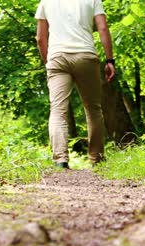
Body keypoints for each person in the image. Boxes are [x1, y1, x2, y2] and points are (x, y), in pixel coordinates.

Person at [35, 0, 116, 169]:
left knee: (57, 110)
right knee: (93, 109)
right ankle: (97, 159)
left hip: (57, 58)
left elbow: (41, 38)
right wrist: (110, 60)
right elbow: (102, 28)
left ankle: (60, 160)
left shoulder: (46, 2)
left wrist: (48, 62)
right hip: (85, 55)